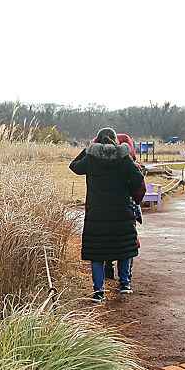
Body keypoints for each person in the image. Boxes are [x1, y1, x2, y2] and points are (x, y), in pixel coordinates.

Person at [70, 127, 145, 303]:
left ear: (96, 141)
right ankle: (125, 283)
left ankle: (98, 291)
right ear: (115, 141)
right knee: (123, 247)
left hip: (97, 213)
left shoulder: (91, 158)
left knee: (97, 252)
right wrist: (128, 193)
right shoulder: (124, 158)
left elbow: (74, 166)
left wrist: (89, 148)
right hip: (121, 211)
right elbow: (138, 179)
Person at [104, 132, 146, 281]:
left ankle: (108, 269)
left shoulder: (101, 164)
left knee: (106, 238)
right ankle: (126, 277)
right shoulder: (132, 165)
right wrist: (133, 200)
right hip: (126, 208)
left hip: (104, 209)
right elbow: (141, 188)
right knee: (127, 240)